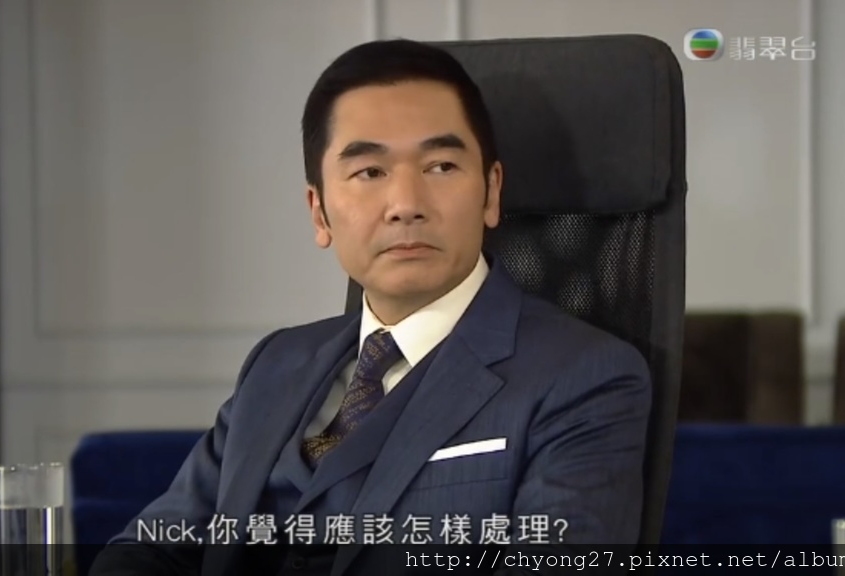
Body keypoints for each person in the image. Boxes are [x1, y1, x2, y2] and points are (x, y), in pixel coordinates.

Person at [89, 38, 651, 576]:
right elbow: (155, 546)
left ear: (491, 191)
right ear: (319, 213)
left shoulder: (584, 376)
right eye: (369, 172)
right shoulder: (276, 363)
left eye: (441, 166)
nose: (405, 204)